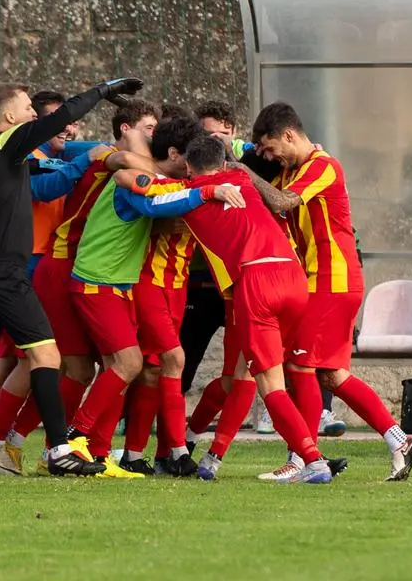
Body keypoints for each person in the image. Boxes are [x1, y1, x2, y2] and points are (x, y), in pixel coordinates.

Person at [0, 77, 143, 477]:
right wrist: (100, 91)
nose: (32, 115)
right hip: (4, 272)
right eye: (27, 108)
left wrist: (85, 155)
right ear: (10, 117)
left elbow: (52, 158)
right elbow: (62, 118)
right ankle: (60, 449)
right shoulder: (9, 142)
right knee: (47, 356)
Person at [124, 134, 332, 483]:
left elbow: (148, 201)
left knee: (271, 386)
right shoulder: (239, 177)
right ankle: (213, 458)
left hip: (256, 281)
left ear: (188, 166)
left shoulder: (187, 195)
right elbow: (242, 156)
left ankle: (312, 462)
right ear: (222, 163)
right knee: (250, 375)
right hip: (294, 277)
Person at [250, 101, 412, 482]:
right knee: (331, 375)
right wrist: (245, 152)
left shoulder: (323, 166)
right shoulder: (291, 170)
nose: (270, 157)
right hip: (326, 282)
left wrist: (241, 169)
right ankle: (399, 441)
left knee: (299, 368)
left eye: (272, 147)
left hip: (330, 280)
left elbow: (280, 202)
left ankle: (302, 461)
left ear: (289, 135)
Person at [63, 117, 244, 478]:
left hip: (173, 287)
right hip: (145, 283)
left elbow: (239, 154)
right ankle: (172, 449)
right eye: (192, 159)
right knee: (162, 361)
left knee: (150, 370)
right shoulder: (166, 186)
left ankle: (131, 453)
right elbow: (144, 192)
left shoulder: (201, 181)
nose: (199, 167)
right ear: (178, 155)